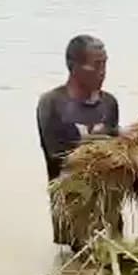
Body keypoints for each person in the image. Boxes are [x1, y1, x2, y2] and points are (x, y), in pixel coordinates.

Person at [36, 35, 120, 247]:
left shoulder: (109, 103)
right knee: (74, 273)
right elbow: (58, 155)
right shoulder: (52, 104)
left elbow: (117, 152)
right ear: (74, 67)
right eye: (96, 65)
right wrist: (104, 145)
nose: (103, 71)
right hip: (71, 212)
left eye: (105, 64)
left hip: (109, 212)